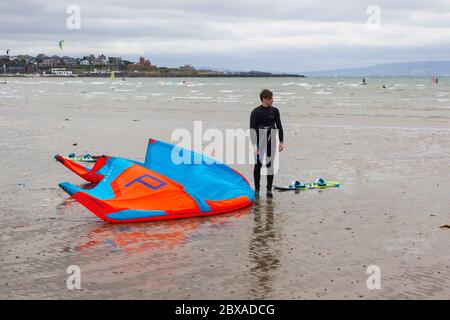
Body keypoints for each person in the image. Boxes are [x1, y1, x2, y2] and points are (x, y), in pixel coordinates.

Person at [250, 89, 284, 198]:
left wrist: (281, 141)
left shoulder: (275, 111)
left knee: (270, 165)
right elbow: (252, 130)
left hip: (272, 141)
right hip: (260, 142)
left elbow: (279, 127)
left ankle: (269, 189)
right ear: (264, 99)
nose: (272, 101)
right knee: (258, 165)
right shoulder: (255, 112)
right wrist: (255, 146)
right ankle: (257, 189)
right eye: (270, 99)